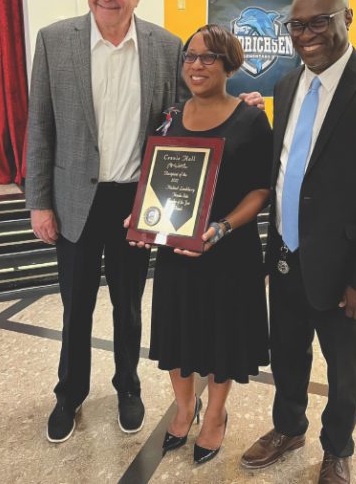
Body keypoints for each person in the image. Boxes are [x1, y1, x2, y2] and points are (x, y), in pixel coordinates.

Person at [26, 0, 263, 444]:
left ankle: (128, 386)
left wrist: (239, 99)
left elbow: (196, 107)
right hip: (74, 200)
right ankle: (69, 393)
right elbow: (39, 126)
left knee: (130, 304)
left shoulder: (164, 46)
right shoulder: (54, 41)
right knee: (76, 304)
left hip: (140, 203)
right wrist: (39, 201)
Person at [240, 0, 356, 483]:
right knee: (287, 353)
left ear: (347, 17)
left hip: (344, 268)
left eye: (319, 21)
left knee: (343, 368)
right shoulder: (285, 86)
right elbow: (286, 172)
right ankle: (288, 427)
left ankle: (337, 447)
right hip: (287, 254)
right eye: (296, 25)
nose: (306, 34)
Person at [132, 24, 272, 464]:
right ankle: (185, 406)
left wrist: (222, 229)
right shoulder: (170, 117)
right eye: (190, 57)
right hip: (177, 251)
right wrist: (142, 218)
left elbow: (261, 190)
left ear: (229, 64)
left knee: (222, 337)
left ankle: (215, 415)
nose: (196, 65)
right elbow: (158, 179)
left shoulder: (250, 118)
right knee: (178, 331)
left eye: (209, 57)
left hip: (228, 252)